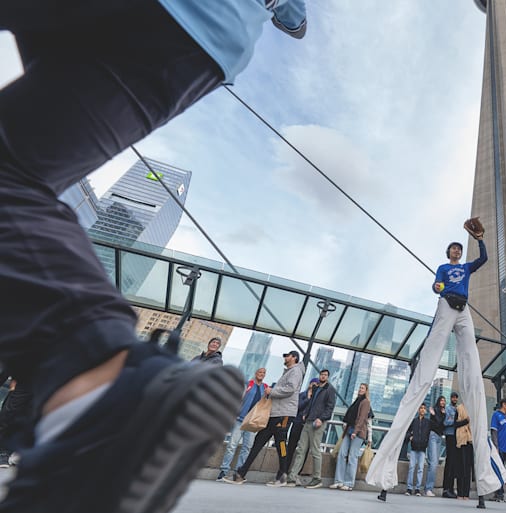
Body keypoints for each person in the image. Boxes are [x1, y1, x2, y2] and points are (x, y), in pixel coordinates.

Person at [0, 0, 308, 510]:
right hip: (203, 41)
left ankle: (101, 379)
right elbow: (295, 20)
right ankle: (99, 394)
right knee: (17, 176)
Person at [366, 220, 506, 501]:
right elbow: (436, 285)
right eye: (453, 248)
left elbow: (484, 259)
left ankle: (486, 481)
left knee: (471, 362)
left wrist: (480, 238)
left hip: (464, 309)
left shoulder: (466, 267)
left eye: (458, 248)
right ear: (448, 253)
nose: (456, 251)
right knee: (430, 358)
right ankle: (385, 476)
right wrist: (437, 286)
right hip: (446, 305)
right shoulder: (444, 268)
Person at [227, 351, 305, 487]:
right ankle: (240, 474)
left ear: (294, 358)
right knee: (258, 441)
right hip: (275, 414)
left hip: (284, 414)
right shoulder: (288, 372)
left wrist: (272, 391)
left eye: (287, 356)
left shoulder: (296, 371)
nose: (285, 357)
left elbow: (290, 389)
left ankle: (282, 476)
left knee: (281, 444)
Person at [217, 368, 268, 482]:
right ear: (256, 373)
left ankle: (238, 472)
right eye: (260, 372)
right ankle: (224, 471)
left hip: (253, 423)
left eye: (264, 373)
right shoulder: (248, 384)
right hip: (240, 419)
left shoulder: (265, 388)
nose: (261, 374)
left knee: (247, 448)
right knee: (232, 445)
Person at [288, 367, 336, 488]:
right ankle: (292, 477)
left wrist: (321, 418)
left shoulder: (329, 389)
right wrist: (305, 414)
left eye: (325, 375)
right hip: (308, 421)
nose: (323, 376)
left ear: (328, 377)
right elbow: (311, 403)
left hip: (318, 423)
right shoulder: (316, 388)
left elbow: (330, 407)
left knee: (315, 451)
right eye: (321, 374)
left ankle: (317, 478)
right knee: (301, 449)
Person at [330, 383, 371, 492]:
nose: (360, 389)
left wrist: (356, 431)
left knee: (352, 456)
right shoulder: (357, 401)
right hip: (349, 430)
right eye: (360, 388)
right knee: (342, 454)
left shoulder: (365, 402)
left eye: (362, 388)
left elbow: (362, 418)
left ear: (366, 390)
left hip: (358, 433)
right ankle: (338, 481)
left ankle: (349, 483)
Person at [287, 378, 319, 460]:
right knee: (291, 446)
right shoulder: (302, 395)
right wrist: (307, 399)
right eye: (313, 383)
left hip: (308, 425)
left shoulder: (317, 398)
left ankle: (299, 470)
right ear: (309, 384)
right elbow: (298, 406)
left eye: (316, 384)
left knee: (305, 449)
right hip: (297, 422)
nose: (314, 385)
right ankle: (284, 468)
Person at [405, 403, 431, 496]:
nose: (422, 410)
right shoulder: (414, 421)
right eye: (421, 408)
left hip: (423, 448)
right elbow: (407, 432)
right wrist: (410, 437)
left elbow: (429, 433)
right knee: (411, 467)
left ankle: (417, 489)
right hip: (414, 447)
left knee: (420, 468)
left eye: (424, 408)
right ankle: (409, 488)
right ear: (418, 410)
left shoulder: (428, 422)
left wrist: (426, 442)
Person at [425, 395, 447, 497]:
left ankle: (429, 488)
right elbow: (437, 423)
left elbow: (443, 425)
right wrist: (434, 415)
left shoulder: (444, 412)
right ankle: (428, 489)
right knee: (433, 464)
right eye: (441, 400)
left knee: (434, 463)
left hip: (439, 437)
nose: (443, 402)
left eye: (444, 401)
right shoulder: (434, 410)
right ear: (438, 401)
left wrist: (443, 415)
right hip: (433, 436)